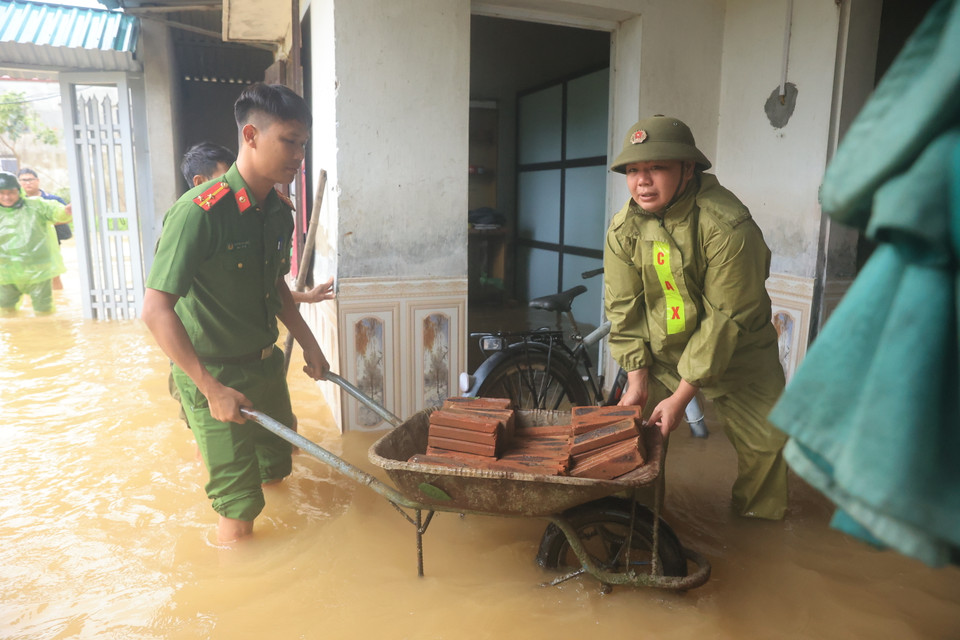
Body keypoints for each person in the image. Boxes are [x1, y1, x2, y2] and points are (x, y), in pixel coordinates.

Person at [142, 83, 330, 544]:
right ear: (251, 135)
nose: (298, 155)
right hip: (215, 375)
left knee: (276, 469)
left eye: (304, 144)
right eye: (289, 141)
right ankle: (239, 597)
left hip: (265, 368)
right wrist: (210, 389)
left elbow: (274, 286)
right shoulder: (199, 213)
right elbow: (154, 309)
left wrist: (309, 343)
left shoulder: (277, 212)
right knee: (238, 505)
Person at [603, 115, 789, 520]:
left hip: (741, 355)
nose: (642, 182)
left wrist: (681, 398)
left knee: (767, 447)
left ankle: (756, 539)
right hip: (664, 354)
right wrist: (636, 381)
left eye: (656, 167)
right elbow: (623, 308)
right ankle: (634, 524)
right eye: (633, 170)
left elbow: (725, 320)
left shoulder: (727, 227)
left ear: (688, 169)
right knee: (625, 439)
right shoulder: (624, 228)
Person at [179, 141, 334, 303]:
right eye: (225, 180)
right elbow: (157, 307)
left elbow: (263, 290)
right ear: (200, 182)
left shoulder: (254, 219)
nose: (235, 186)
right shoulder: (189, 226)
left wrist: (307, 298)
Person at [0, 170, 72, 314]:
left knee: (43, 310)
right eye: (2, 193)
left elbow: (56, 212)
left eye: (11, 193)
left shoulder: (36, 205)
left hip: (38, 270)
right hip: (6, 273)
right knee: (6, 311)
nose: (6, 197)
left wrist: (67, 211)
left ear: (18, 191)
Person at [18, 168, 70, 290]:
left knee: (53, 274)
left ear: (37, 181)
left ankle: (58, 298)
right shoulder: (15, 201)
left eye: (30, 179)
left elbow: (67, 215)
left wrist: (44, 222)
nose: (27, 183)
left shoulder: (52, 199)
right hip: (24, 244)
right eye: (23, 180)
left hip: (50, 243)